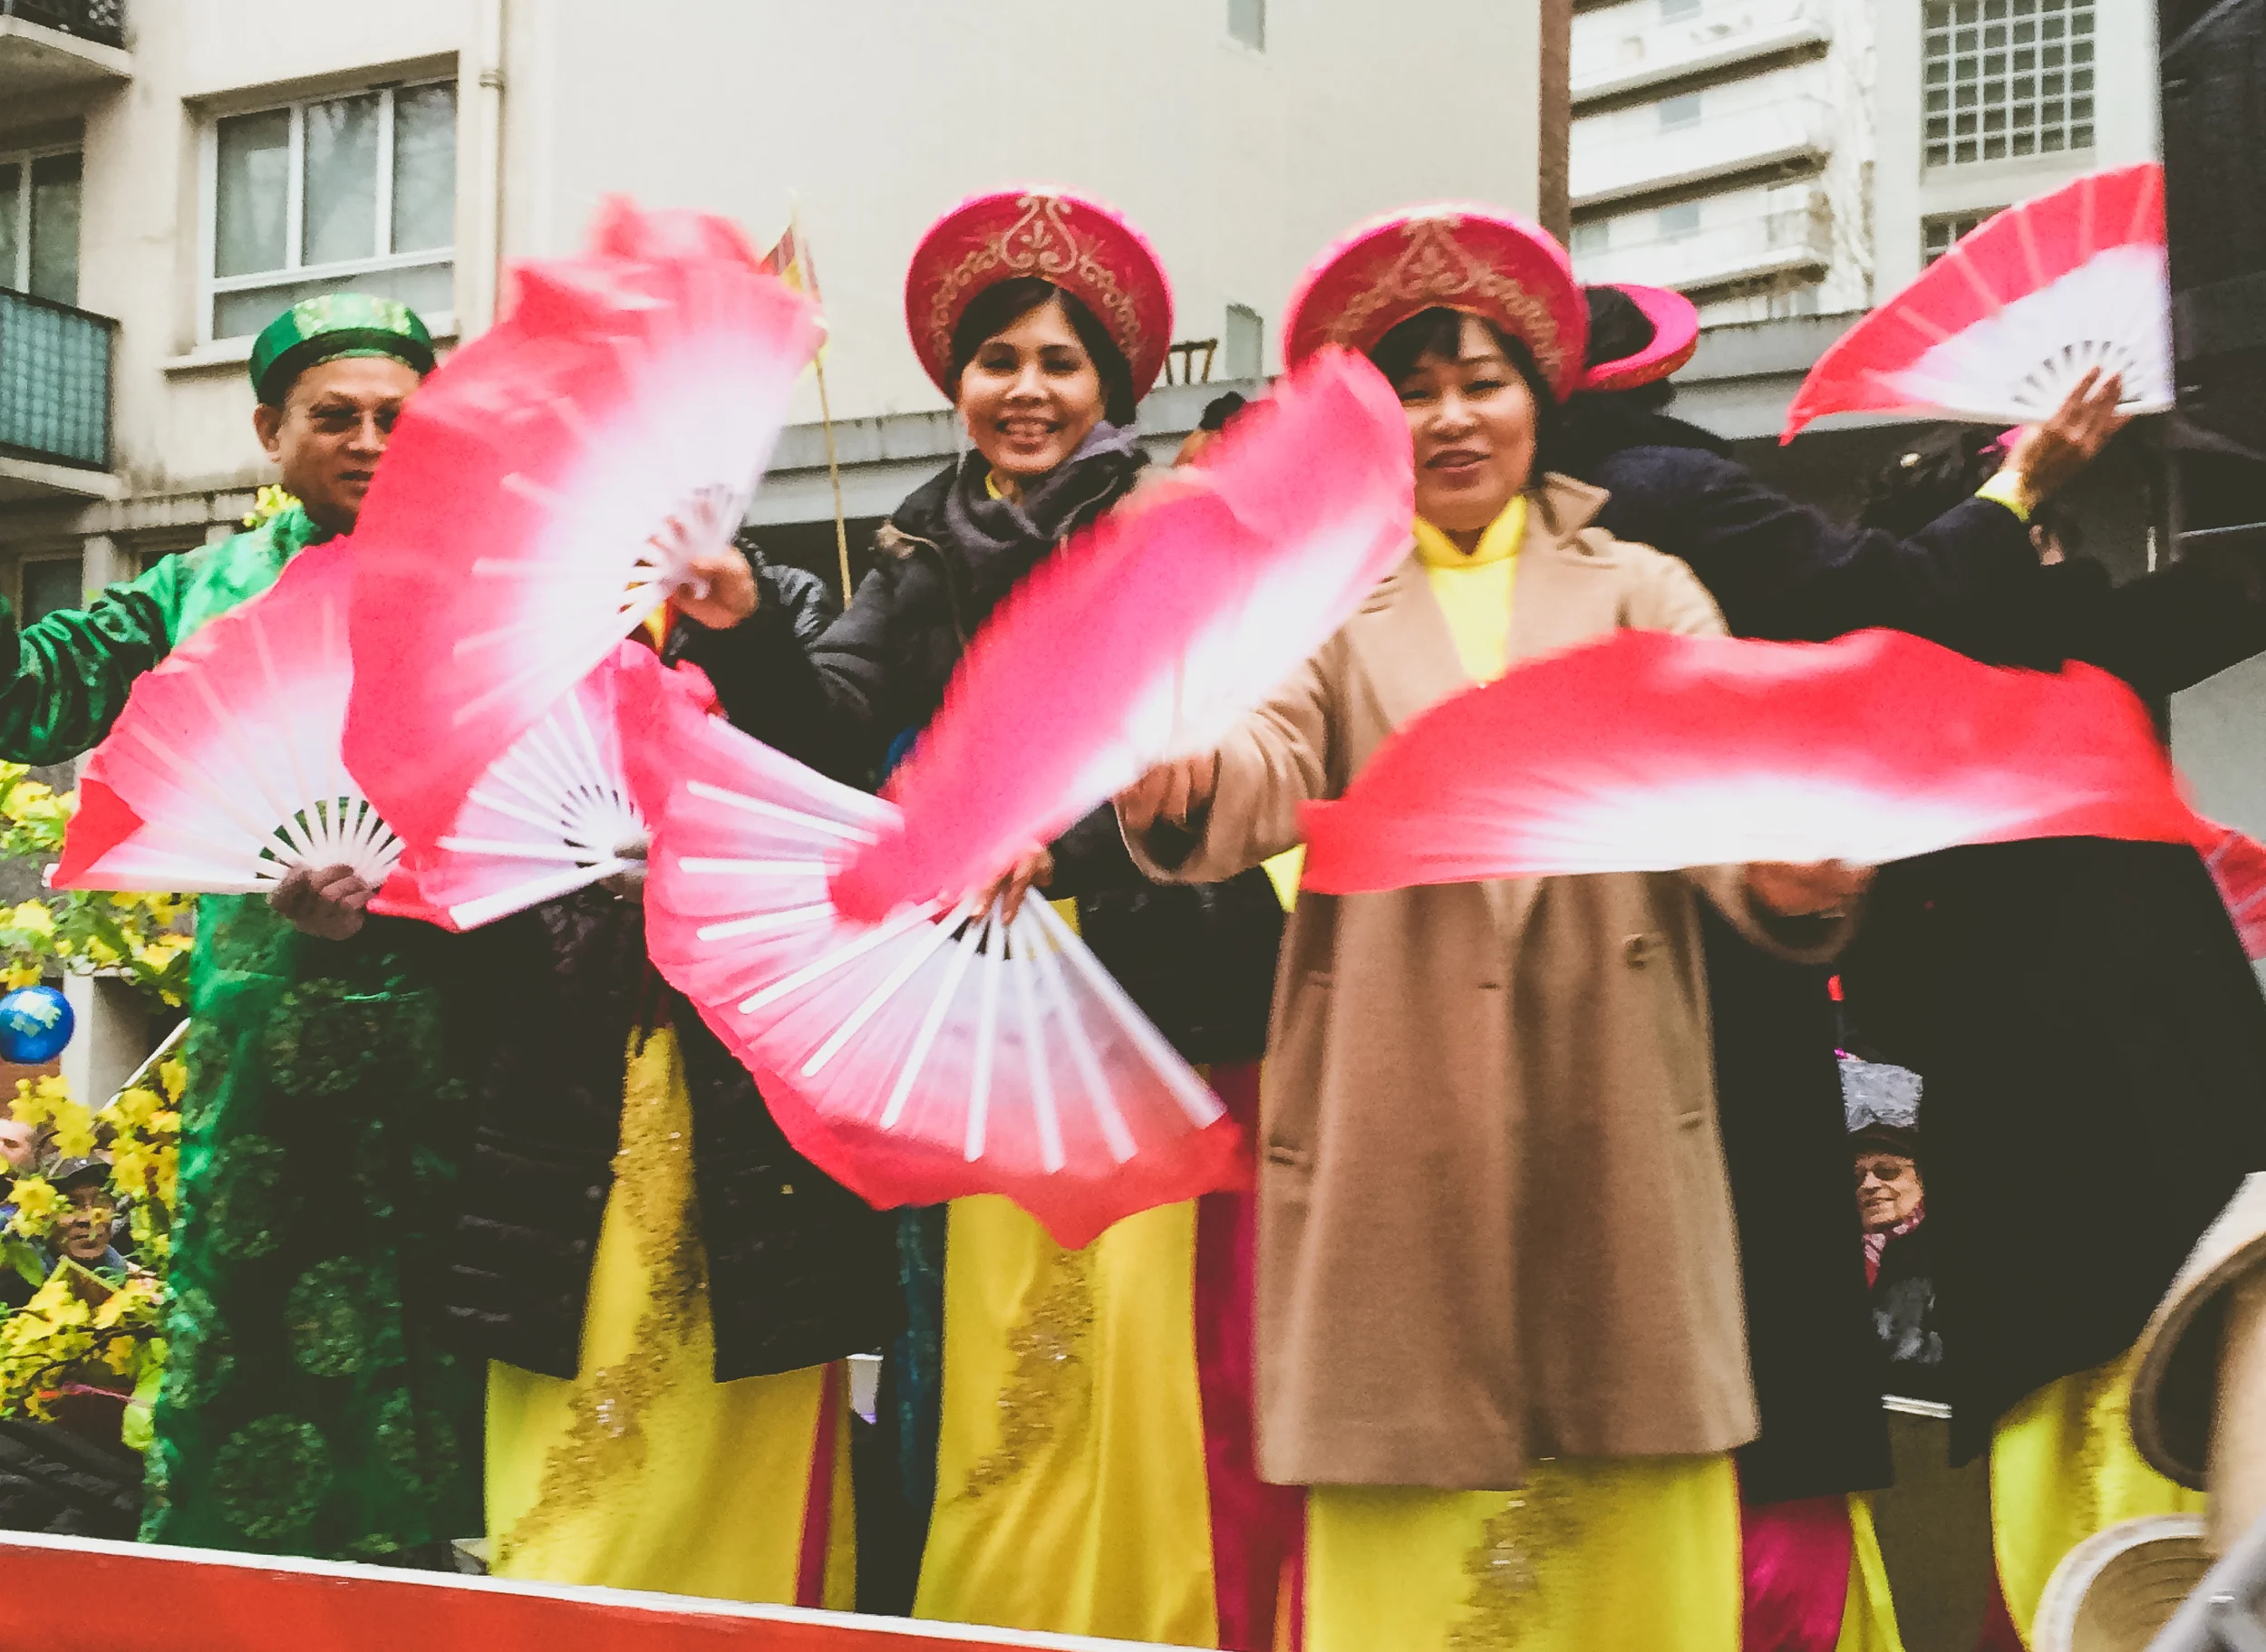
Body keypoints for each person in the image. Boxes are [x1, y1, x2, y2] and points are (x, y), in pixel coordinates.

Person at [1115, 204, 1864, 1652]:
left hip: (1620, 1132)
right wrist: (1182, 770)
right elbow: (1261, 767)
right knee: (1410, 1578)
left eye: (1485, 380)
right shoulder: (1323, 609)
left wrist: (1793, 869)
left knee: (1631, 1563)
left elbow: (1727, 791)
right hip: (1402, 1136)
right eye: (1413, 387)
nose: (1453, 417)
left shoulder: (1645, 589)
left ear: (1542, 397)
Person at [714, 187, 1291, 1647]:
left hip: (1171, 991)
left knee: (1159, 1345)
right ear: (957, 385)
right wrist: (741, 621)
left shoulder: (1180, 529)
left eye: (1059, 361)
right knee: (988, 1343)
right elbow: (836, 726)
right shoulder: (921, 547)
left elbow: (1207, 753)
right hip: (993, 999)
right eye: (999, 361)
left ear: (1111, 383)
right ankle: (1007, 1614)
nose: (1026, 390)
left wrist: (1062, 842)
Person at [0, 294, 482, 1563]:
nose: (372, 440)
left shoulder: (492, 594)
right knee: (248, 1351)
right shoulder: (195, 590)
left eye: (398, 416)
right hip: (263, 1059)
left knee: (438, 1376)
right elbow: (31, 694)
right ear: (270, 432)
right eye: (336, 417)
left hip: (449, 1055)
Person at [452, 513, 897, 1607]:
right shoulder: (512, 635)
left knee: (746, 1437)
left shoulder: (782, 602)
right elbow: (446, 853)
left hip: (742, 1090)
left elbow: (835, 764)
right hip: (564, 1085)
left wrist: (742, 635)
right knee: (572, 1456)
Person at [44, 1159, 128, 1279]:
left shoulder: (124, 1277)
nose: (89, 1219)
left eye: (101, 1202)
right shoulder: (16, 1280)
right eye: (71, 1204)